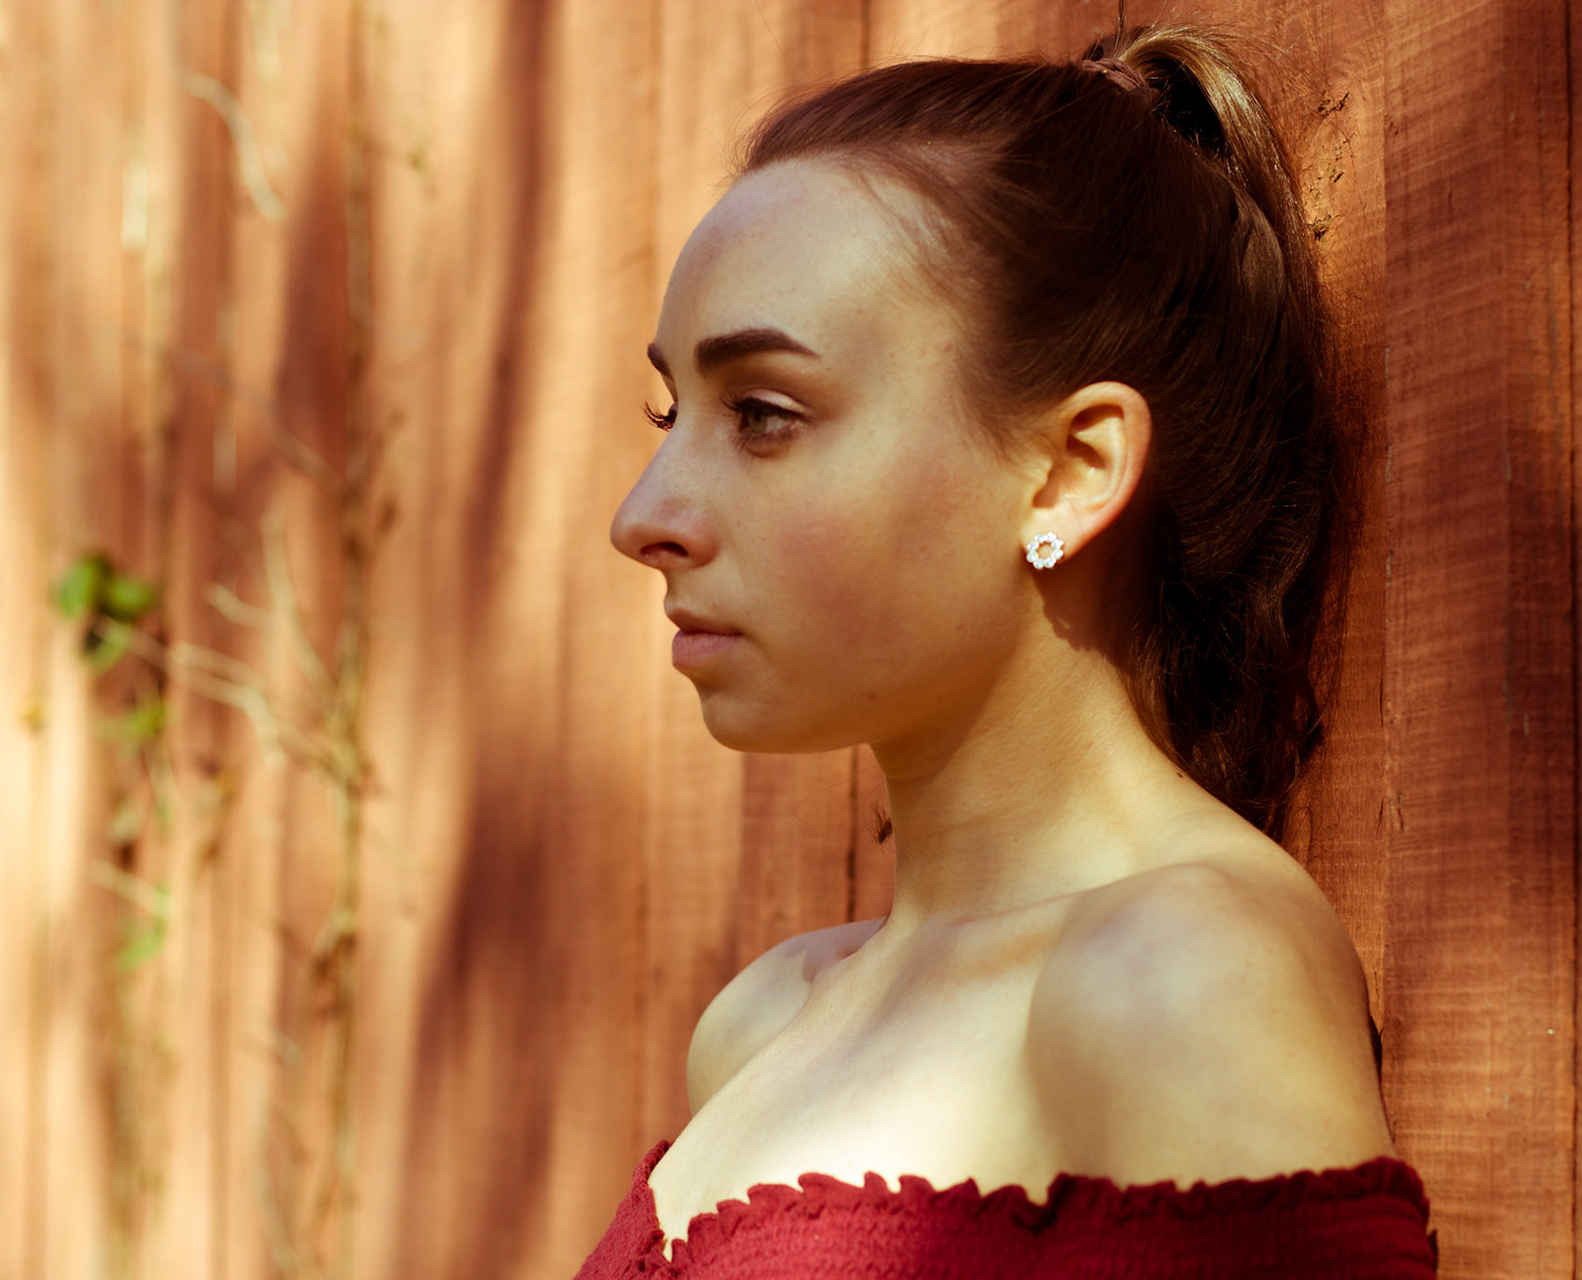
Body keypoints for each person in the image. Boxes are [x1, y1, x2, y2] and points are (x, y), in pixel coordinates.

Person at [580, 21, 1438, 1278]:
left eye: (762, 413)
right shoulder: (762, 1021)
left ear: (1071, 470)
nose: (643, 516)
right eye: (674, 413)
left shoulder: (1186, 972)